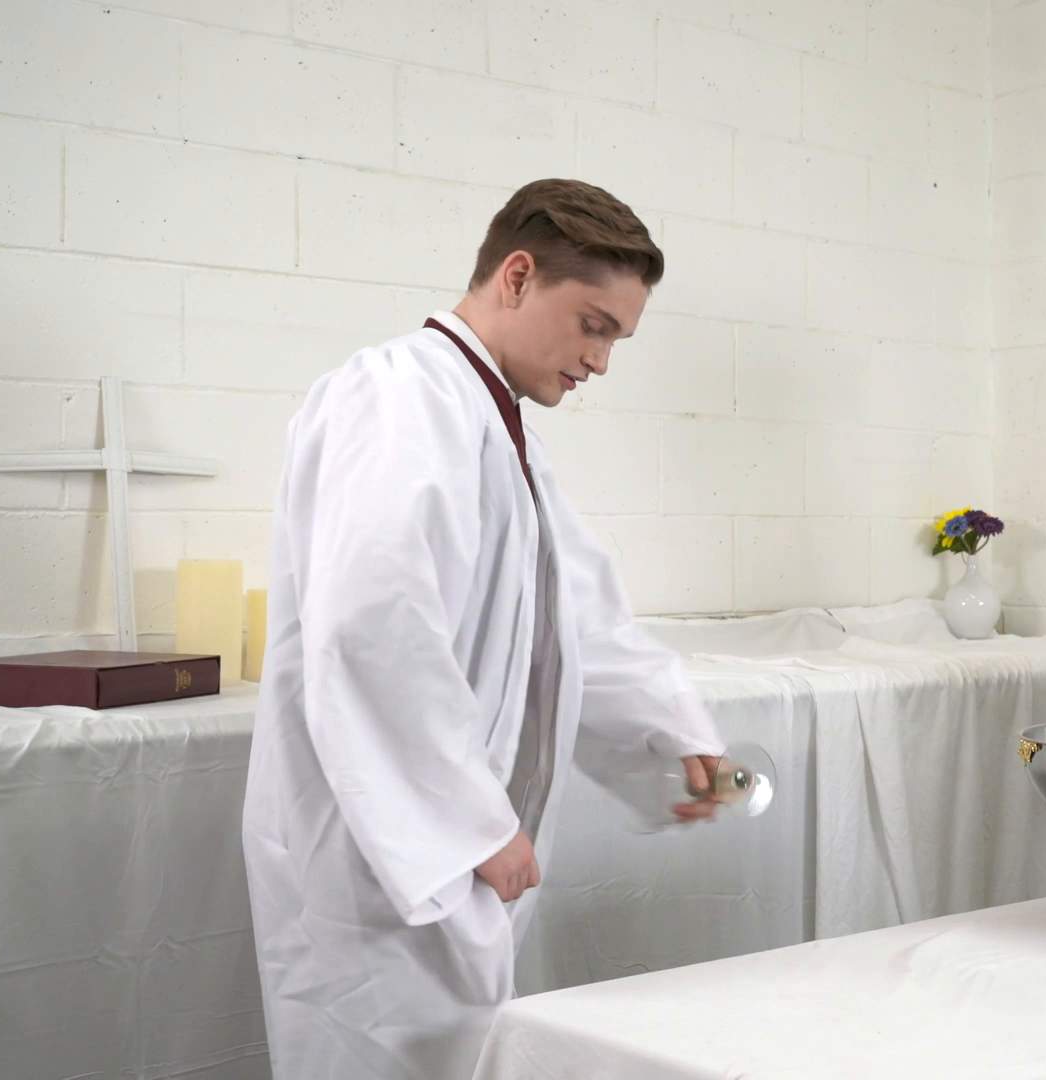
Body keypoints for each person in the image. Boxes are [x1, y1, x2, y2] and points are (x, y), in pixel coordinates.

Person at [242, 179, 727, 1078]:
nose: (600, 363)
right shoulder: (399, 394)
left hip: (436, 847)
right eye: (593, 326)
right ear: (517, 276)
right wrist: (466, 822)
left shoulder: (500, 428)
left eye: (616, 339)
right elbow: (373, 623)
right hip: (381, 850)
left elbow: (575, 617)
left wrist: (672, 731)